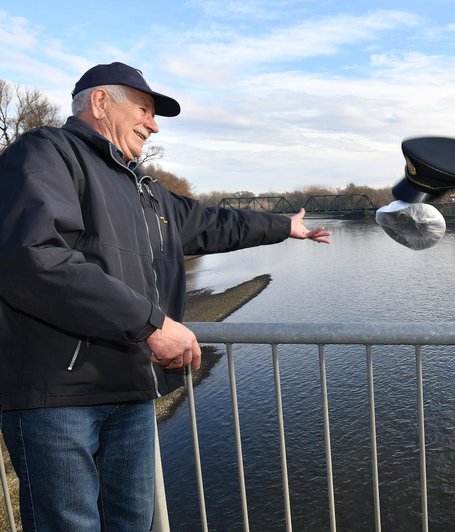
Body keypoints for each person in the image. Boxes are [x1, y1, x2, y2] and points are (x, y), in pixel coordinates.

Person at [0, 61, 330, 530]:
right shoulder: (46, 154)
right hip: (60, 395)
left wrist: (284, 226)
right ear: (99, 102)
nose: (153, 124)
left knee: (133, 521)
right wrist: (151, 324)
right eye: (144, 109)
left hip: (132, 386)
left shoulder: (147, 191)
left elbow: (216, 224)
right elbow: (33, 258)